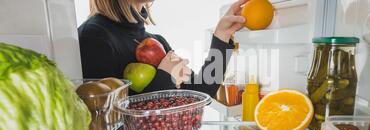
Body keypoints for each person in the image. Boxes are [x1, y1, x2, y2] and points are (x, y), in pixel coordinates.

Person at [78, 0, 247, 96]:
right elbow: (110, 119)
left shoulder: (155, 41)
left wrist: (221, 37)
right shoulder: (93, 37)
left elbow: (200, 90)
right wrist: (166, 76)